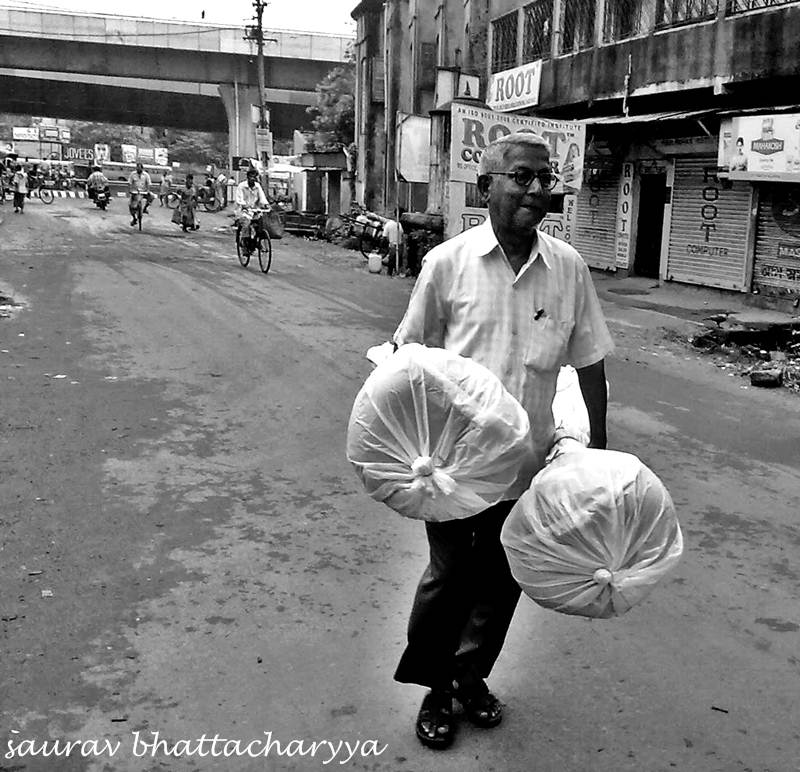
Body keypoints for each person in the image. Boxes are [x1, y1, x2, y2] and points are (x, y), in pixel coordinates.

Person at [391, 132, 614, 750]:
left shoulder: (567, 268)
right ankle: (436, 685)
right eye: (522, 177)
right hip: (454, 468)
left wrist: (592, 460)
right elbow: (407, 361)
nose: (538, 190)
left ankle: (469, 675)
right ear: (486, 184)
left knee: (505, 577)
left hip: (528, 467)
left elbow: (590, 364)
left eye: (546, 178)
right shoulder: (447, 264)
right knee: (450, 575)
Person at [235, 167, 269, 251]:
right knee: (246, 224)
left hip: (254, 210)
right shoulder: (241, 186)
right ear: (248, 177)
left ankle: (258, 241)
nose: (252, 178)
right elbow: (239, 199)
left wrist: (266, 205)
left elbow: (262, 197)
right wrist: (244, 205)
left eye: (254, 177)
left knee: (260, 224)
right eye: (251, 176)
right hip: (243, 210)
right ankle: (245, 245)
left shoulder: (257, 186)